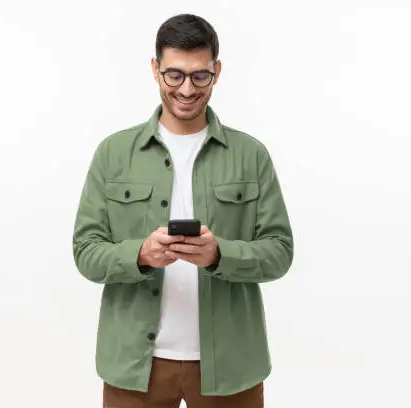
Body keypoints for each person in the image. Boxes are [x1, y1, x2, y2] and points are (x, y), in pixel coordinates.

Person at [72, 13, 294, 408]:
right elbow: (86, 252)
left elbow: (279, 251)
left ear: (217, 71)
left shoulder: (250, 155)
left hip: (231, 366)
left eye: (200, 76)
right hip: (135, 367)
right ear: (155, 69)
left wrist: (219, 255)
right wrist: (140, 254)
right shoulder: (114, 153)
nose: (187, 89)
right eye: (174, 75)